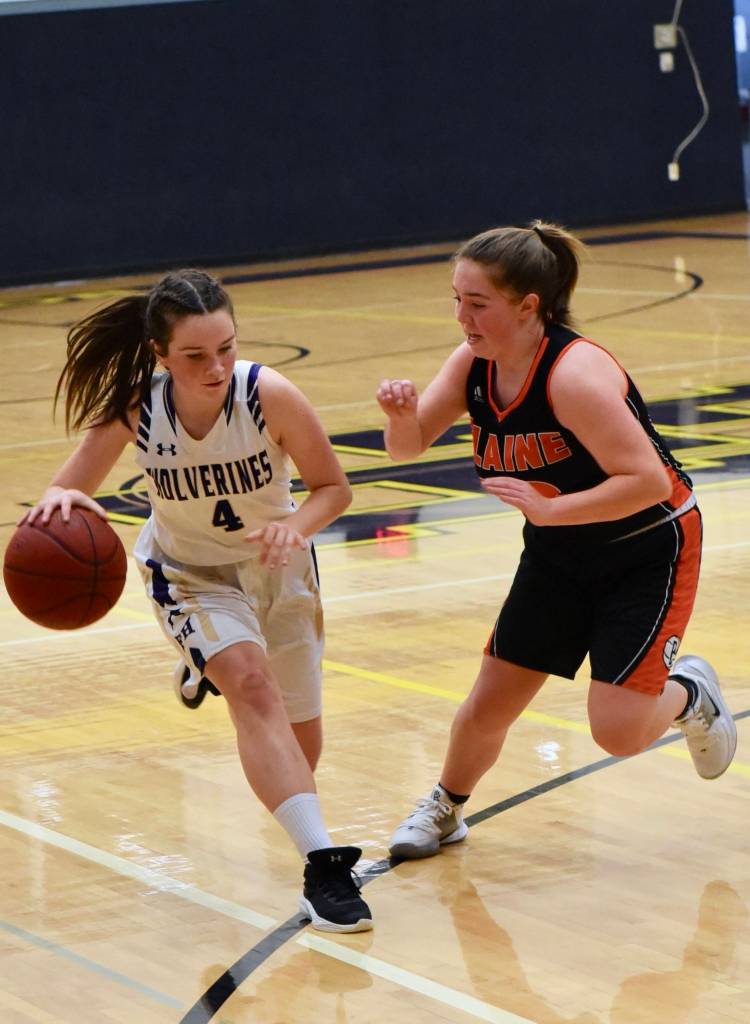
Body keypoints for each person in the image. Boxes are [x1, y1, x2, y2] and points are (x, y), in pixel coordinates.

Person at [25, 269, 372, 931]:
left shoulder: (269, 394)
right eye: (194, 356)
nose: (215, 368)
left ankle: (201, 665)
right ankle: (325, 869)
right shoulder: (139, 407)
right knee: (252, 687)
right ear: (160, 356)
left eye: (226, 349)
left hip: (280, 571)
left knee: (302, 746)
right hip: (189, 574)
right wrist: (65, 501)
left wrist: (291, 528)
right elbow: (63, 491)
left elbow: (334, 489)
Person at [377, 222, 737, 859]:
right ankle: (446, 808)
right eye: (456, 299)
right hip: (560, 547)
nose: (462, 316)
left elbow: (648, 480)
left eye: (477, 303)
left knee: (619, 732)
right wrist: (401, 418)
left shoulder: (572, 376)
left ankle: (690, 693)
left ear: (528, 306)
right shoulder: (473, 365)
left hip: (648, 545)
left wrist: (556, 508)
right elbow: (408, 447)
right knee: (490, 698)